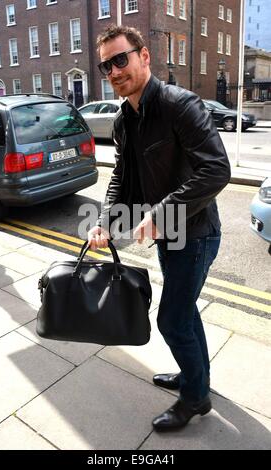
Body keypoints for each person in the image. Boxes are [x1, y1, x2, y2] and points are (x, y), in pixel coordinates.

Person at [88, 24, 231, 432]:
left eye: (121, 59)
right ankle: (195, 376)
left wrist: (161, 212)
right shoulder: (124, 120)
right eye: (106, 65)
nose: (114, 71)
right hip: (167, 234)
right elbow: (120, 176)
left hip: (197, 233)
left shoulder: (179, 105)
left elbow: (217, 170)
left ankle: (194, 399)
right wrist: (103, 222)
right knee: (185, 313)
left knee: (171, 319)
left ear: (143, 56)